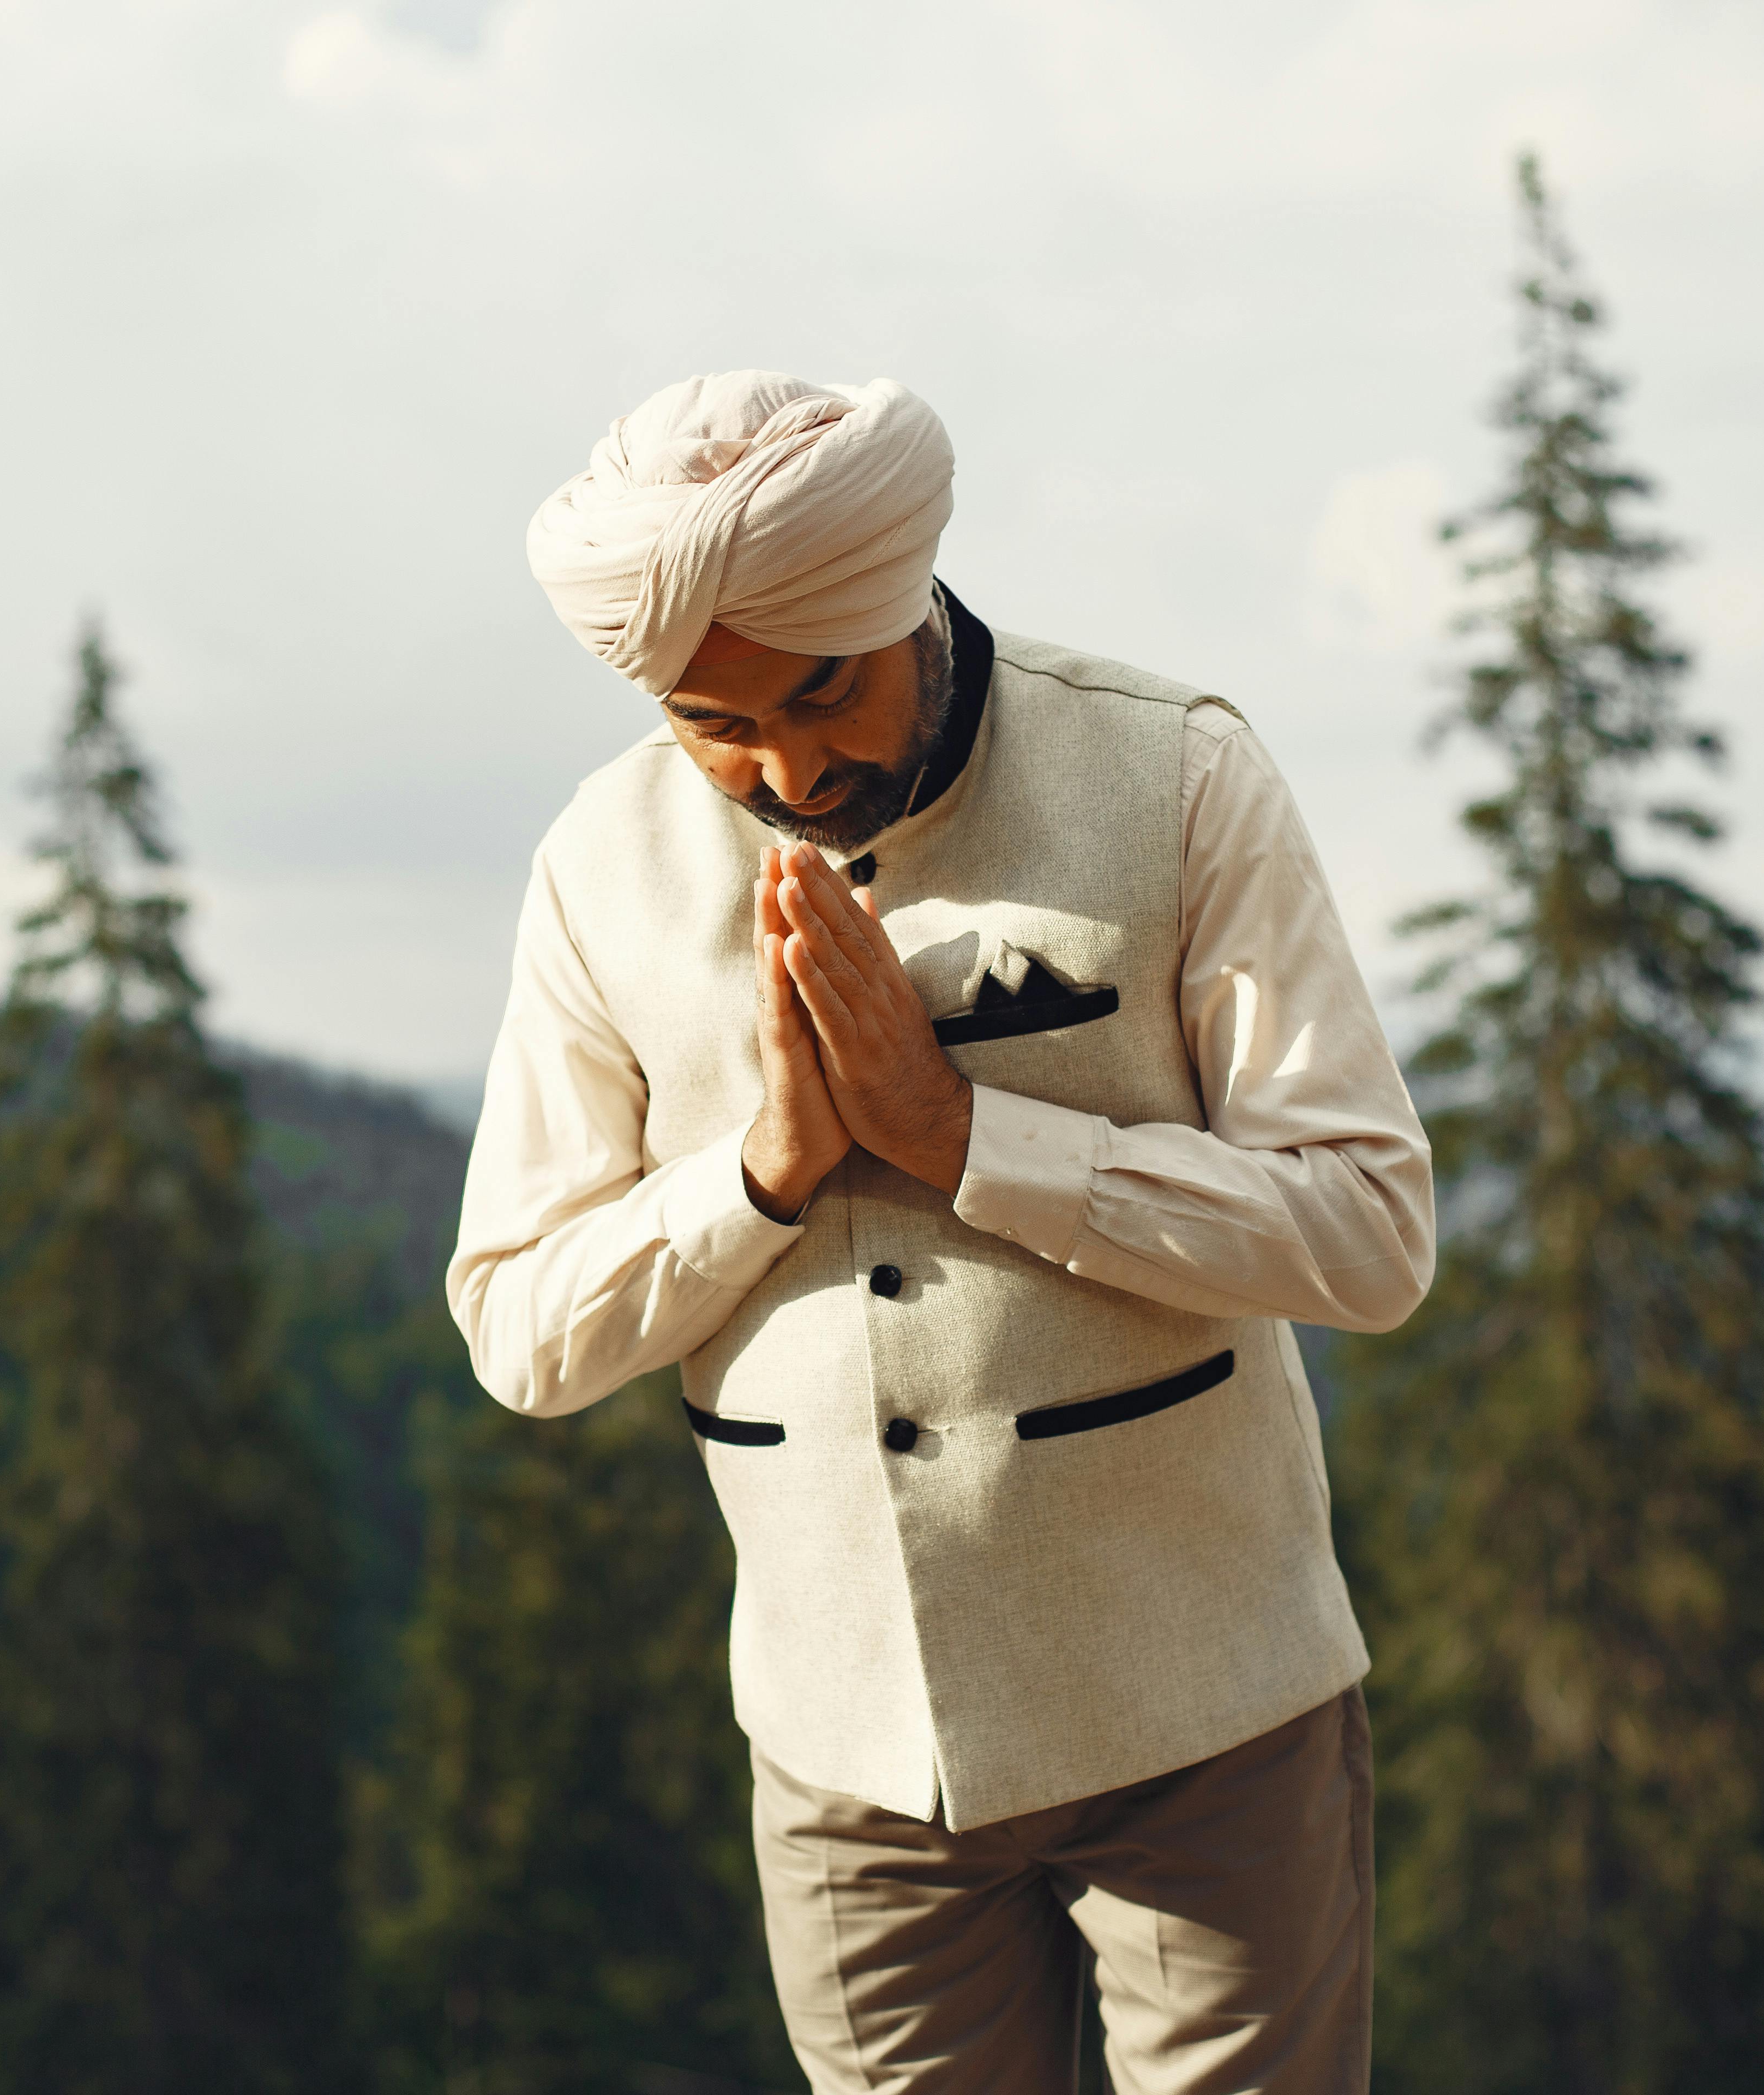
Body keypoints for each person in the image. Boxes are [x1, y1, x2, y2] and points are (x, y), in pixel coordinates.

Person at [449, 370, 1435, 2094]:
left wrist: (972, 1141)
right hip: (844, 1771)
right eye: (715, 723)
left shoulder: (1174, 770)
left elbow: (1369, 1232)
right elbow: (522, 1332)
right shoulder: (597, 864)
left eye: (822, 694)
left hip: (1211, 1721)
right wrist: (762, 1172)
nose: (787, 767)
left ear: (899, 598)